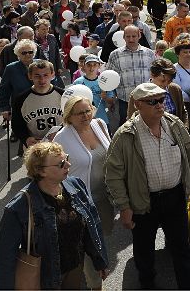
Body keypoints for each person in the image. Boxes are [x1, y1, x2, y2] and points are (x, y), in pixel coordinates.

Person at [104, 83, 190, 290]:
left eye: (161, 99)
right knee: (144, 250)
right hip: (143, 201)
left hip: (175, 198)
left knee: (182, 248)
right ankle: (147, 284)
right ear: (138, 104)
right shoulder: (125, 135)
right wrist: (124, 207)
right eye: (153, 101)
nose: (160, 105)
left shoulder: (174, 124)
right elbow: (114, 175)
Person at [0, 142, 108, 289]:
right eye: (61, 164)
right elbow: (5, 259)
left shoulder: (76, 185)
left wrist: (100, 260)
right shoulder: (18, 207)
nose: (68, 164)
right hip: (44, 278)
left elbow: (92, 226)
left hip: (75, 268)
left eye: (66, 158)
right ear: (40, 171)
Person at [53, 96, 115, 288]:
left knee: (102, 239)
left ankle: (91, 275)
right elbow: (56, 170)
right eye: (79, 113)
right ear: (68, 116)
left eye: (87, 110)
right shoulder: (61, 138)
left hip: (105, 197)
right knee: (89, 246)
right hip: (80, 202)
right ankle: (95, 285)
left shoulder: (100, 124)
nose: (85, 116)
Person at [106, 25, 156, 127]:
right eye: (128, 36)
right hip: (125, 100)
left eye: (134, 36)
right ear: (123, 37)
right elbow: (109, 77)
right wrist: (110, 96)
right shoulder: (115, 55)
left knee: (148, 126)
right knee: (126, 128)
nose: (131, 39)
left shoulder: (149, 54)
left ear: (139, 36)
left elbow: (155, 75)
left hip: (146, 99)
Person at [11, 60, 64, 155]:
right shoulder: (21, 99)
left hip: (60, 143)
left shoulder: (63, 95)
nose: (42, 80)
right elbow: (16, 124)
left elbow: (72, 119)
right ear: (30, 76)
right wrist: (26, 138)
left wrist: (62, 132)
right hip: (35, 145)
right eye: (37, 76)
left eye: (45, 75)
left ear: (52, 75)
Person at [127, 57, 188, 124]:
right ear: (152, 75)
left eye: (169, 81)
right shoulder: (137, 94)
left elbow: (183, 112)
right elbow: (131, 120)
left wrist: (184, 128)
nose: (165, 84)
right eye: (162, 81)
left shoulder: (175, 89)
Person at [73, 55, 115, 127]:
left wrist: (105, 97)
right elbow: (73, 102)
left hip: (102, 119)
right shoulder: (78, 82)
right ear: (84, 66)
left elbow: (111, 101)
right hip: (84, 121)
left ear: (99, 66)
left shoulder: (104, 82)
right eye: (89, 65)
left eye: (95, 65)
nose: (92, 68)